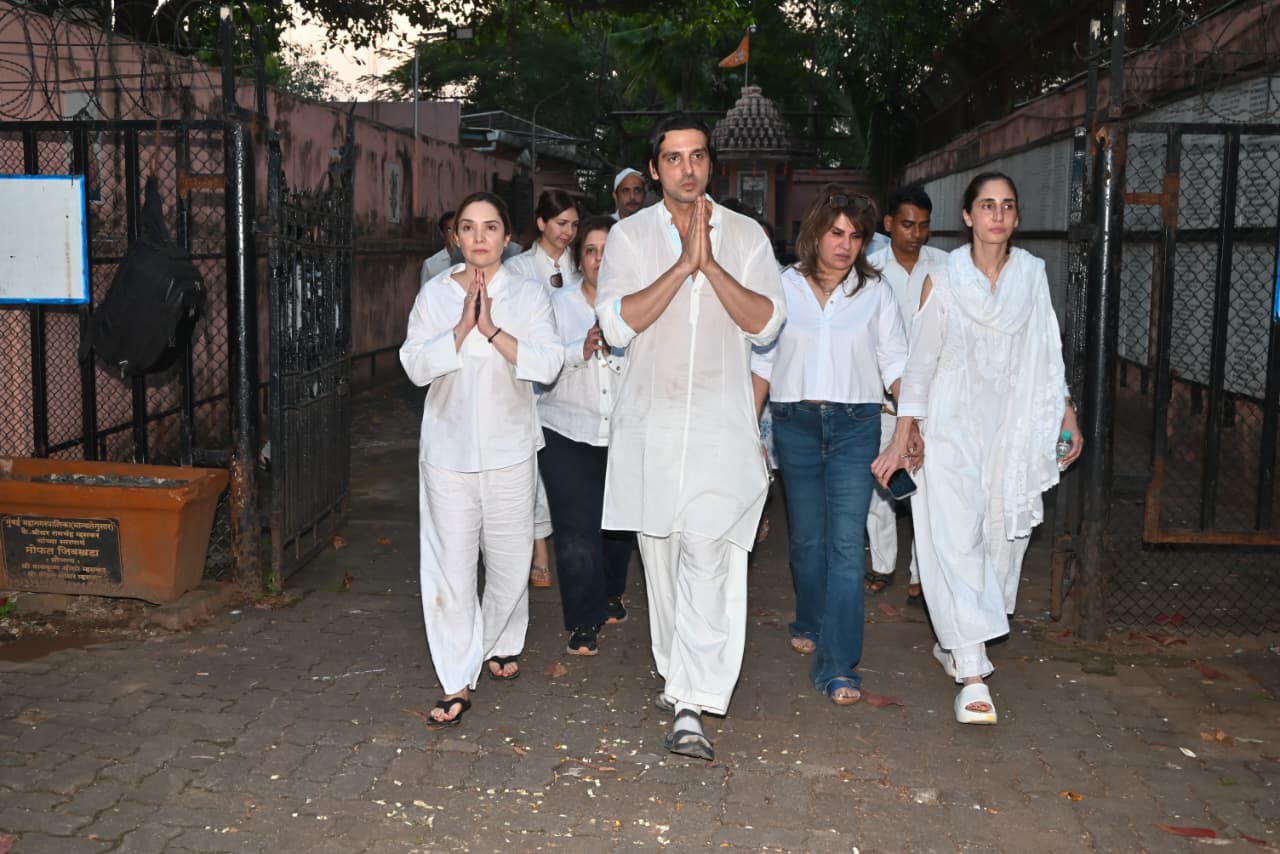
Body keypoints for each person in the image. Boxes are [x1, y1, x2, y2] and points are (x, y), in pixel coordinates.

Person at [596, 112, 785, 761]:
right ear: (654, 169)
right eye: (672, 158)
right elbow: (619, 325)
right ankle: (679, 673)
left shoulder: (749, 237)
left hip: (720, 431)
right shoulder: (628, 237)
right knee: (664, 560)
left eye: (696, 156)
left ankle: (690, 705)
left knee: (710, 556)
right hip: (649, 429)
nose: (686, 168)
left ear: (711, 163)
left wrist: (712, 268)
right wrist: (681, 268)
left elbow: (766, 323)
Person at [872, 172, 1083, 726]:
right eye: (986, 205)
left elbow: (1048, 350)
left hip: (1011, 429)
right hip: (950, 427)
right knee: (955, 539)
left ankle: (956, 642)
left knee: (1000, 542)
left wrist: (1065, 411)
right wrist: (905, 431)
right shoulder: (944, 277)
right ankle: (972, 675)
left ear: (1015, 217)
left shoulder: (1032, 276)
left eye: (1007, 206)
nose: (997, 215)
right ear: (967, 216)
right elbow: (920, 362)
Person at [399, 191, 564, 727]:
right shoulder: (433, 296)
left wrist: (492, 328)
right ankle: (457, 677)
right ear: (456, 237)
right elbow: (415, 366)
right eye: (468, 228)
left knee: (511, 559)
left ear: (506, 236)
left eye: (489, 227)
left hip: (511, 446)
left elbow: (548, 363)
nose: (478, 238)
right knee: (450, 565)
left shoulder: (529, 294)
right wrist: (461, 328)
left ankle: (498, 642)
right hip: (447, 450)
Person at [751, 187, 911, 706]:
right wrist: (748, 431)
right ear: (815, 234)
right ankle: (810, 619)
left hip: (854, 426)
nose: (845, 245)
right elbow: (762, 363)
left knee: (845, 548)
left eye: (856, 236)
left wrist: (909, 425)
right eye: (836, 233)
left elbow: (896, 364)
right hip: (794, 423)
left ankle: (839, 665)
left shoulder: (876, 292)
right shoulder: (783, 287)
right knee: (807, 544)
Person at [537, 215, 633, 655]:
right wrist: (581, 350)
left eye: (608, 251)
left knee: (616, 527)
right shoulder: (556, 304)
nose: (599, 259)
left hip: (624, 432)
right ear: (580, 258)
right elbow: (540, 362)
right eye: (591, 251)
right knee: (576, 530)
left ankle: (611, 592)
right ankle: (583, 619)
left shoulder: (638, 306)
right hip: (566, 430)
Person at [864, 185, 949, 606]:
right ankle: (883, 564)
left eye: (924, 225)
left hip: (933, 397)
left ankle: (922, 573)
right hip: (882, 398)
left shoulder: (948, 268)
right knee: (881, 480)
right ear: (889, 224)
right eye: (908, 224)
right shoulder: (869, 270)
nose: (916, 234)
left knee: (926, 488)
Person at [505, 190, 582, 589]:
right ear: (541, 223)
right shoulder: (517, 270)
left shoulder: (582, 265)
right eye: (560, 223)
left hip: (576, 376)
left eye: (573, 224)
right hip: (532, 380)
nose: (568, 232)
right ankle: (539, 551)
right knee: (532, 468)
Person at [421, 210, 459, 283]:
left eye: (457, 229)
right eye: (449, 230)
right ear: (442, 234)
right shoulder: (430, 265)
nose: (454, 234)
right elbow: (424, 293)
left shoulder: (473, 261)